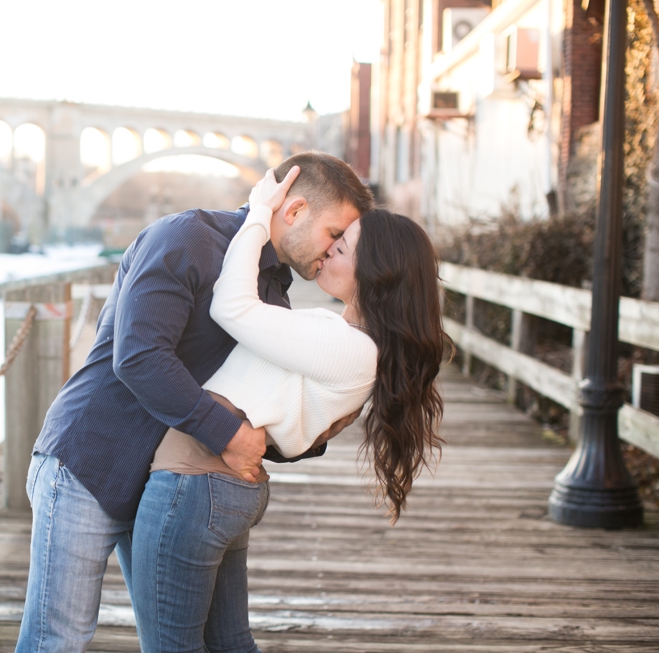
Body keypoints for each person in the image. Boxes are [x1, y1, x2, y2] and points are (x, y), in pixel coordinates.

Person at [16, 152, 375, 652]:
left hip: (162, 480)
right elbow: (139, 357)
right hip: (91, 460)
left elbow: (252, 397)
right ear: (293, 212)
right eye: (334, 232)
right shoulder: (186, 239)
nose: (335, 249)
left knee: (166, 639)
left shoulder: (272, 284)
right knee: (56, 640)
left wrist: (312, 428)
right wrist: (228, 434)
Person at [129, 169, 450, 653]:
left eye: (342, 247)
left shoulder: (349, 348)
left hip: (195, 485)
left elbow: (232, 307)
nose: (328, 251)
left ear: (377, 271)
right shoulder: (344, 339)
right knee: (230, 643)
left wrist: (258, 214)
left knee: (172, 647)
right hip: (218, 486)